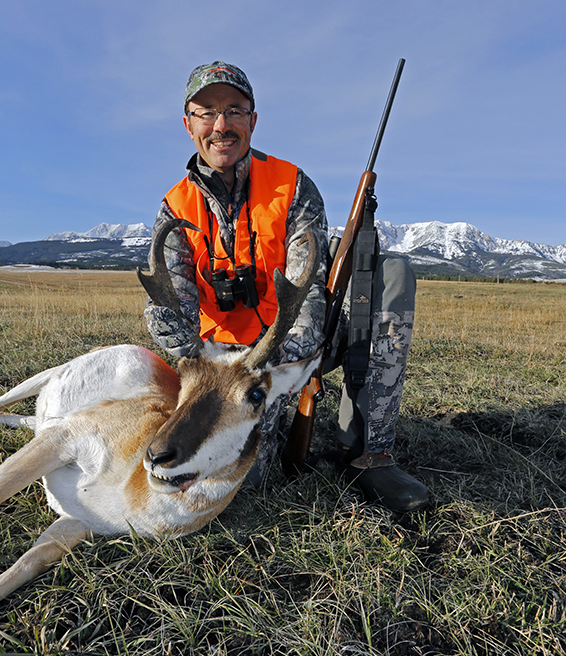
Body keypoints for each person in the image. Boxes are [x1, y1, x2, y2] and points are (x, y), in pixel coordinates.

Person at [145, 61, 428, 512]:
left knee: (392, 273)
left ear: (253, 121)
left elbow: (310, 284)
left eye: (235, 111)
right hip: (218, 365)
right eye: (207, 112)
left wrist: (283, 360)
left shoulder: (292, 186)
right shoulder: (175, 208)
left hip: (288, 350)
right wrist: (203, 365)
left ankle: (370, 451)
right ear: (188, 124)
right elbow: (169, 307)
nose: (222, 126)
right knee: (244, 480)